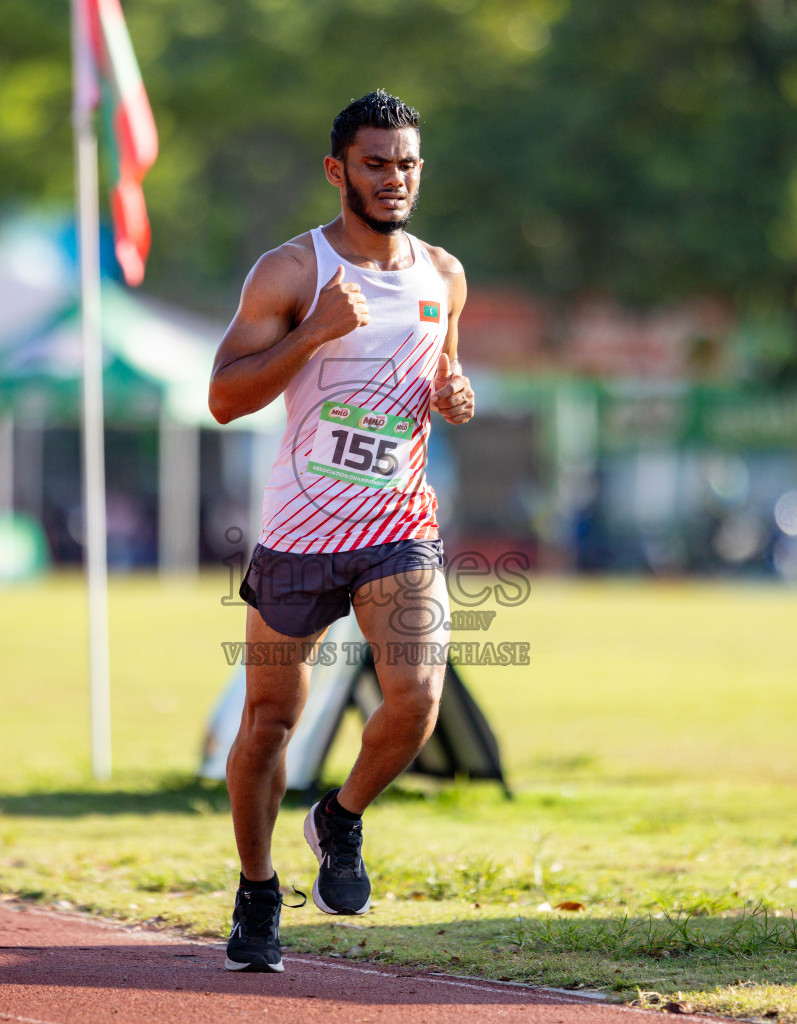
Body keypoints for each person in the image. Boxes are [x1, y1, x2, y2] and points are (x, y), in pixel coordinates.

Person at [207, 89, 475, 973]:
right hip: (298, 532)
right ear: (338, 171)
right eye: (375, 164)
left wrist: (453, 391)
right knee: (269, 724)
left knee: (418, 699)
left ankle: (341, 818)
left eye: (406, 164)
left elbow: (440, 372)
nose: (394, 179)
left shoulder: (444, 274)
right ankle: (256, 889)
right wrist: (314, 331)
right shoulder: (290, 272)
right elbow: (224, 398)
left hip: (398, 528)